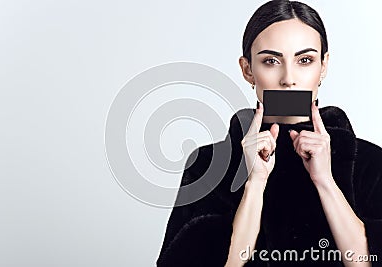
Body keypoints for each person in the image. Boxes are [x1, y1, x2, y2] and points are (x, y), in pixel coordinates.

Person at [157, 1, 382, 266]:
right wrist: (255, 184)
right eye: (271, 61)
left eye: (305, 60)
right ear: (247, 69)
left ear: (323, 66)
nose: (288, 78)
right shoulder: (207, 164)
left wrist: (325, 181)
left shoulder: (369, 162)